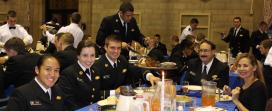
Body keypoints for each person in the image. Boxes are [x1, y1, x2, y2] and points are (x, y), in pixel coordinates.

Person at [93, 35, 160, 90]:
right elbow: (95, 92)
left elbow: (136, 69)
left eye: (118, 48)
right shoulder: (97, 65)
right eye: (112, 48)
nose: (116, 51)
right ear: (105, 47)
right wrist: (114, 93)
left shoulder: (122, 60)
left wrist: (150, 76)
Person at [57, 40, 104, 110]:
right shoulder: (68, 73)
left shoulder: (96, 71)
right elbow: (68, 102)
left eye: (92, 55)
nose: (89, 59)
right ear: (78, 56)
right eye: (85, 55)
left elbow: (96, 95)